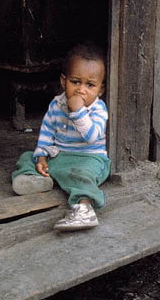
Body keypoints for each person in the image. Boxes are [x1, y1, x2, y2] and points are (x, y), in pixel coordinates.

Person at [11, 42, 110, 231]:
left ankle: (84, 210)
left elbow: (92, 136)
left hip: (88, 159)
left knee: (82, 176)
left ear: (100, 90)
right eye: (75, 82)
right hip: (59, 156)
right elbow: (47, 133)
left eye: (90, 85)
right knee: (27, 157)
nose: (81, 89)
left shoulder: (98, 109)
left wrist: (78, 112)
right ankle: (37, 179)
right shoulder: (56, 104)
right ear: (64, 81)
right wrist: (42, 156)